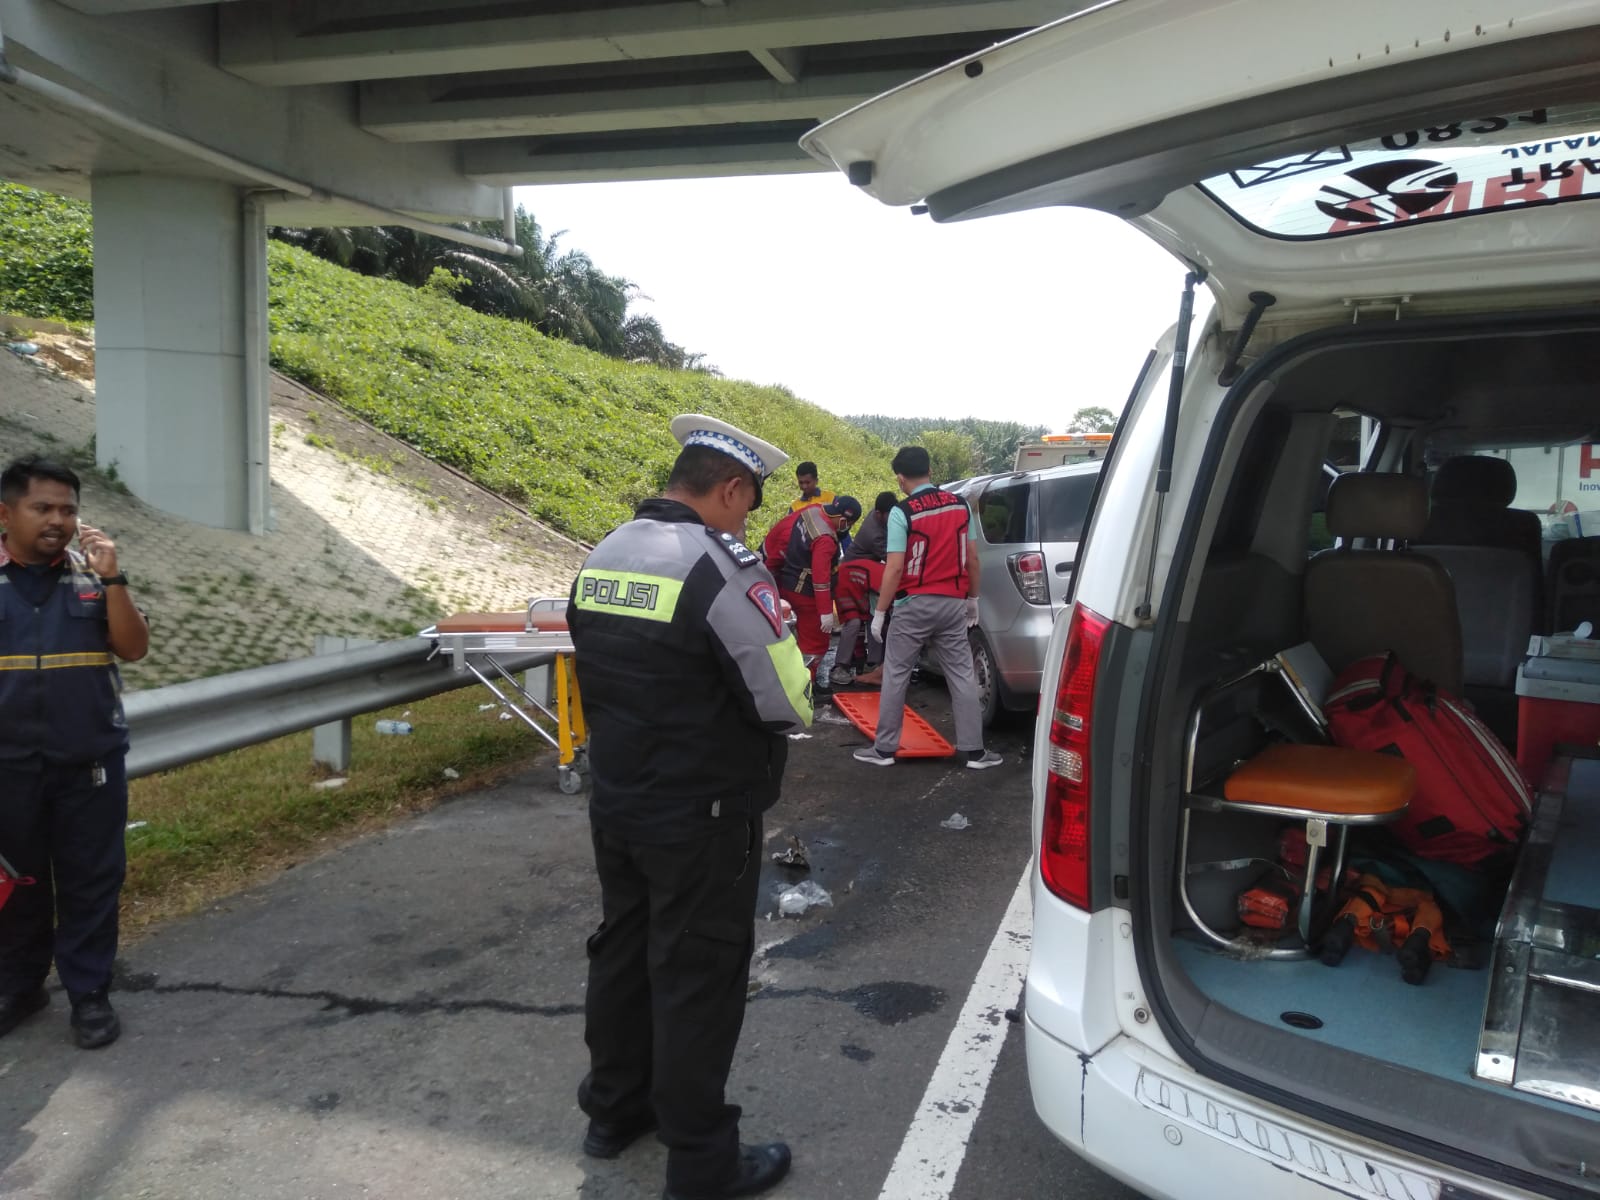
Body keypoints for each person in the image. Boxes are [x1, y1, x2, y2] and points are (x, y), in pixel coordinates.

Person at [567, 414, 811, 1200]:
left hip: (620, 800)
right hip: (703, 813)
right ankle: (702, 1160)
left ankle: (613, 1112)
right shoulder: (718, 567)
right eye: (749, 505)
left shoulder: (606, 551)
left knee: (624, 953)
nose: (748, 521)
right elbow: (786, 702)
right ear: (730, 488)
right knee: (697, 974)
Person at [0, 455, 149, 1049]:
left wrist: (114, 578)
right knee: (18, 885)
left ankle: (89, 995)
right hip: (7, 767)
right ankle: (19, 986)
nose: (58, 520)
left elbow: (133, 648)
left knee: (91, 882)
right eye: (43, 508)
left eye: (67, 508)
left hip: (89, 763)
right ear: (5, 515)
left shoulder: (93, 579)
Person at [853, 446, 1002, 770]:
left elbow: (893, 568)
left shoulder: (901, 512)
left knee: (896, 673)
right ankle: (975, 753)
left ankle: (884, 750)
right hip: (952, 603)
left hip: (913, 605)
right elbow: (972, 559)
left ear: (901, 478)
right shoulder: (961, 506)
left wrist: (880, 613)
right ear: (930, 471)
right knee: (961, 675)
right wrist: (973, 600)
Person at [763, 495, 860, 682]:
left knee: (790, 637)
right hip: (806, 594)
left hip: (787, 581)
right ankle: (805, 685)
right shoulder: (826, 539)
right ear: (843, 520)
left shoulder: (812, 511)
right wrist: (825, 613)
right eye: (850, 523)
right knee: (815, 644)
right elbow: (820, 577)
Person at [833, 491, 898, 687]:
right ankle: (840, 667)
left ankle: (872, 664)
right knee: (855, 622)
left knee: (874, 618)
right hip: (848, 579)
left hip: (865, 577)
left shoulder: (882, 517)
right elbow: (893, 559)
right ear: (879, 514)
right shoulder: (875, 535)